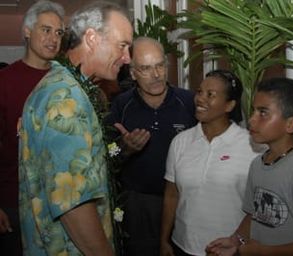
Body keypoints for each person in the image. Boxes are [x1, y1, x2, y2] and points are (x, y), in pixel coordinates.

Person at [18, 2, 133, 255]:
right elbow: (73, 205)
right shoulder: (65, 99)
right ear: (92, 38)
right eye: (122, 46)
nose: (127, 58)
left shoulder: (69, 86)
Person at [206, 77, 293, 256]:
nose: (251, 120)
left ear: (291, 124)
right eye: (253, 111)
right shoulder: (257, 164)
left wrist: (264, 252)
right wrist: (235, 241)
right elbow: (256, 214)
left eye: (263, 113)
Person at [160, 70, 265, 256]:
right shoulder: (180, 142)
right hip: (183, 245)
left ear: (229, 105)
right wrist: (164, 240)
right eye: (199, 92)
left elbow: (262, 202)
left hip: (229, 249)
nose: (200, 99)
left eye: (210, 95)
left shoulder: (252, 146)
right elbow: (171, 195)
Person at [109, 36, 197, 256]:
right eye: (146, 68)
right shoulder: (121, 105)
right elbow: (107, 159)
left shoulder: (189, 102)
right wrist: (125, 148)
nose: (156, 75)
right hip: (139, 204)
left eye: (160, 66)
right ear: (132, 73)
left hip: (185, 201)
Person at [0, 1, 64, 255]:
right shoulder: (5, 82)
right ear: (27, 31)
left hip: (60, 202)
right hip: (13, 201)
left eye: (59, 32)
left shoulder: (66, 81)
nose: (53, 39)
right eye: (46, 30)